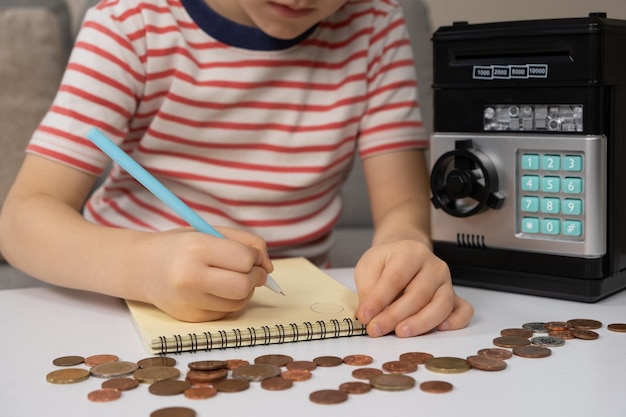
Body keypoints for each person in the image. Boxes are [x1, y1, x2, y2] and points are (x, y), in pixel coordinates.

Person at [0, 0, 473, 337]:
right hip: (122, 307)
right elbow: (22, 221)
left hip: (295, 316)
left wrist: (405, 249)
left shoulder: (375, 25)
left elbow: (401, 209)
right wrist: (142, 267)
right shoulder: (129, 22)